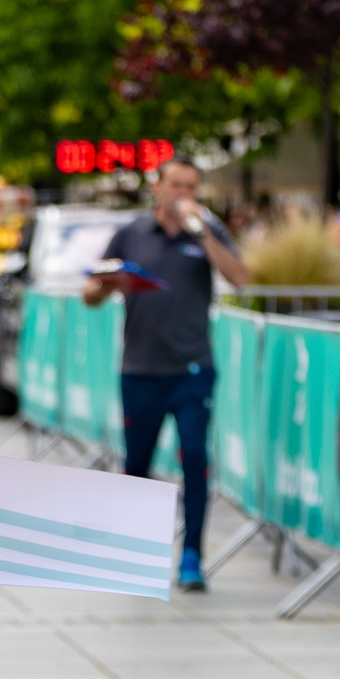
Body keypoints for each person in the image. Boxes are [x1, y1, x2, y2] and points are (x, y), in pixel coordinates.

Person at [81, 156, 249, 591]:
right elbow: (89, 295)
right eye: (177, 186)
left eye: (192, 188)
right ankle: (135, 554)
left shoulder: (208, 232)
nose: (184, 195)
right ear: (158, 186)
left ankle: (192, 554)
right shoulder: (131, 233)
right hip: (141, 368)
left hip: (193, 369)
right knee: (137, 464)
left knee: (195, 458)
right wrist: (106, 285)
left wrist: (203, 232)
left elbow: (240, 277)